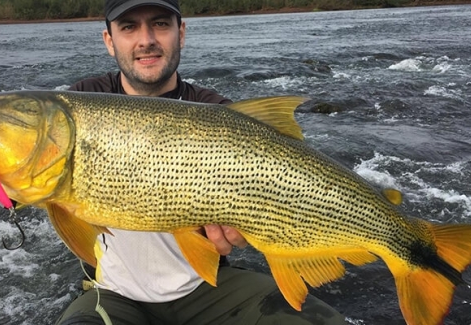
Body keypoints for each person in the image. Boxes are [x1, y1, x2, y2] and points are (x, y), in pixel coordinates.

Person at [55, 1, 346, 324]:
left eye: (161, 24)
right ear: (109, 41)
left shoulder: (219, 113)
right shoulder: (82, 101)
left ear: (181, 33)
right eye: (128, 27)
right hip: (114, 293)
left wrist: (253, 226)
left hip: (208, 286)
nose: (146, 39)